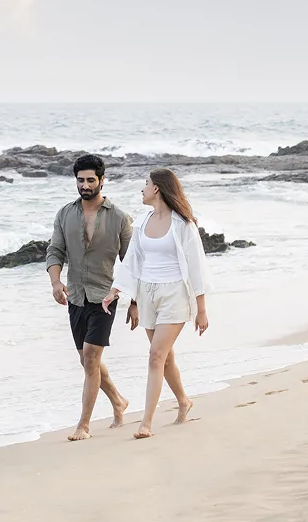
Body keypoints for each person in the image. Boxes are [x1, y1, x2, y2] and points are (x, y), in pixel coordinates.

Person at [101, 168, 211, 440]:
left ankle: (146, 422)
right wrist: (115, 291)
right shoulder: (141, 222)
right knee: (165, 356)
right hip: (147, 293)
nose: (143, 188)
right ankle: (184, 401)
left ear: (157, 189)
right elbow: (132, 263)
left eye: (146, 183)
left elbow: (197, 266)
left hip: (175, 293)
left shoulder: (183, 224)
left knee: (155, 356)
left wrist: (201, 309)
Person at [46, 154, 136, 442]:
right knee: (87, 361)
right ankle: (119, 401)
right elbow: (55, 251)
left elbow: (132, 263)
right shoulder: (64, 214)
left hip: (105, 298)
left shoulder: (119, 218)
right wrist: (56, 281)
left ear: (101, 180)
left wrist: (133, 300)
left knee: (92, 357)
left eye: (90, 180)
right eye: (80, 180)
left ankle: (84, 425)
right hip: (75, 297)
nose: (85, 185)